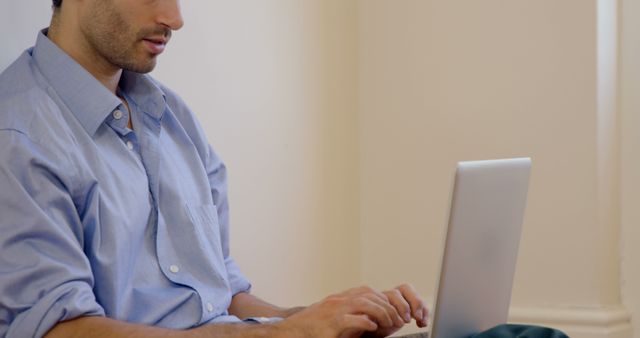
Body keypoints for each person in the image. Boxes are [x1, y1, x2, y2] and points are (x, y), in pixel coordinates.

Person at [0, 1, 429, 337]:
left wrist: (325, 320)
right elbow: (57, 330)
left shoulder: (172, 117)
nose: (175, 17)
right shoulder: (18, 138)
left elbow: (222, 297)